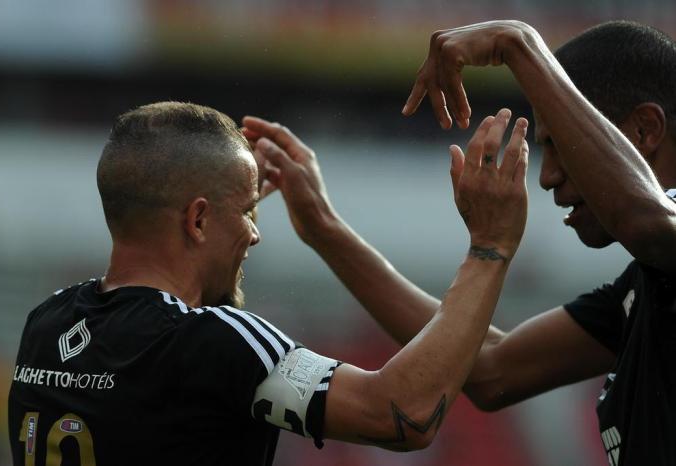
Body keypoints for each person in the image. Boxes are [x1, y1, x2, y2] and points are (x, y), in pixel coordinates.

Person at [244, 20, 676, 466]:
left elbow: (649, 223)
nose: (546, 177)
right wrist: (323, 229)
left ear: (644, 130)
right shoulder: (641, 289)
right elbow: (491, 368)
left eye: (561, 145)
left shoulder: (658, 239)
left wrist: (522, 47)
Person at [8, 101, 529, 465]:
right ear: (198, 220)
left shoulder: (46, 325)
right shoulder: (210, 340)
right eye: (249, 212)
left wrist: (231, 191)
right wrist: (490, 246)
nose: (255, 234)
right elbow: (402, 413)